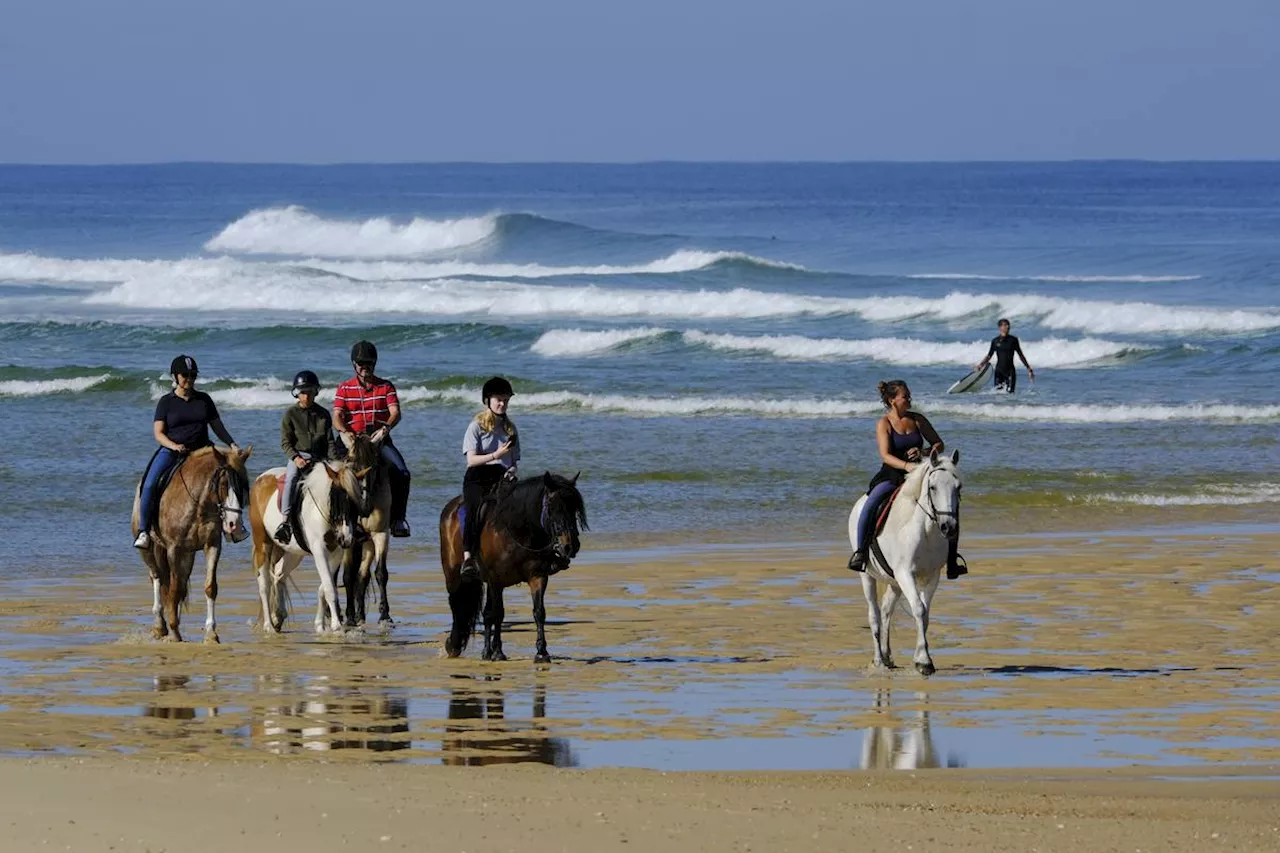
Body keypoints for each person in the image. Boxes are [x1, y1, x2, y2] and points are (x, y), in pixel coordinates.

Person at [848, 379, 967, 579]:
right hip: (892, 474)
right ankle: (860, 553)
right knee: (871, 502)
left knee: (949, 507)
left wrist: (924, 451)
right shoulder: (884, 423)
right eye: (905, 396)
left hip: (920, 473)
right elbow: (885, 455)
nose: (909, 398)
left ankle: (952, 560)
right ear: (892, 400)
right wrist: (906, 466)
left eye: (908, 394)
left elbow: (939, 444)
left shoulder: (918, 419)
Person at [134, 355, 240, 549]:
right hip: (173, 451)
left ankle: (233, 526)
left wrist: (232, 444)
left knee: (232, 476)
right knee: (149, 484)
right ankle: (143, 530)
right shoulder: (166, 402)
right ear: (175, 376)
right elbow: (158, 433)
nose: (189, 379)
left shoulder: (204, 400)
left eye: (192, 375)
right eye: (185, 375)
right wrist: (174, 446)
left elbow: (218, 427)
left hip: (202, 451)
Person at [333, 341, 411, 537]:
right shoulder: (344, 388)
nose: (364, 367)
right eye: (361, 363)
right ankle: (338, 518)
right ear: (354, 365)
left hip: (378, 440)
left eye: (368, 363)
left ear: (374, 364)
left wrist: (386, 428)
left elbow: (396, 412)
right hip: (351, 440)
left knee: (402, 472)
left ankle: (398, 520)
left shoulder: (385, 387)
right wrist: (344, 430)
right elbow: (337, 416)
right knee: (331, 473)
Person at [460, 376, 520, 579]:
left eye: (506, 400)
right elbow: (471, 460)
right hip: (478, 477)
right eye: (498, 400)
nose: (502, 404)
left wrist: (511, 471)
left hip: (502, 477)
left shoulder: (511, 429)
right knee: (474, 509)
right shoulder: (476, 426)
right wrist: (496, 456)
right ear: (488, 401)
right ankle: (468, 556)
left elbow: (514, 462)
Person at [274, 370, 334, 545]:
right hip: (299, 456)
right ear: (296, 393)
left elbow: (330, 441)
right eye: (302, 391)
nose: (306, 395)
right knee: (291, 478)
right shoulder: (290, 414)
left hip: (321, 458)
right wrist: (296, 459)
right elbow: (285, 443)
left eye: (309, 391)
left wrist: (333, 462)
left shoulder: (324, 414)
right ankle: (285, 522)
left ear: (316, 391)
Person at [975, 318, 1034, 393]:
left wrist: (1028, 368)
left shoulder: (1013, 340)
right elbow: (989, 355)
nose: (1008, 326)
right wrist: (981, 365)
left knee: (1010, 393)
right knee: (997, 394)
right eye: (1005, 325)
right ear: (1000, 327)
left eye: (1008, 325)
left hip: (1010, 372)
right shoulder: (995, 341)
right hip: (999, 371)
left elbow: (1020, 355)